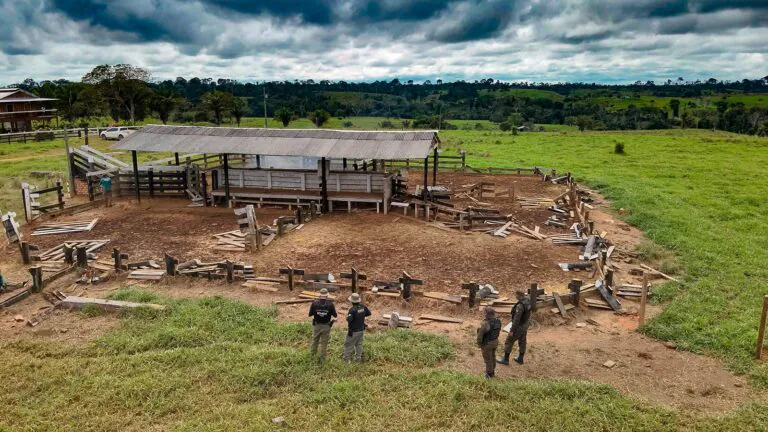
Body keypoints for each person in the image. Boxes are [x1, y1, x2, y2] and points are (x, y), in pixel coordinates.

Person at [498, 289, 532, 365]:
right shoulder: (527, 301)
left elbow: (516, 320)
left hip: (519, 326)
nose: (515, 296)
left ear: (519, 295)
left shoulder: (520, 306)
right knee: (522, 340)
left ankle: (505, 359)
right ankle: (520, 358)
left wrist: (512, 330)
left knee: (509, 341)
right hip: (525, 324)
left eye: (516, 295)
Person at [308, 288, 337, 361]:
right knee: (324, 343)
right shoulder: (330, 304)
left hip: (317, 326)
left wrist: (316, 310)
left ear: (319, 295)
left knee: (315, 341)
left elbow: (310, 314)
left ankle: (312, 357)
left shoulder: (314, 303)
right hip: (326, 326)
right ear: (327, 295)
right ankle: (322, 359)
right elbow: (335, 315)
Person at [343, 293, 371, 362]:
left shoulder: (352, 310)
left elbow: (349, 319)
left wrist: (347, 318)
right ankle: (358, 359)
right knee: (359, 345)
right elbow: (369, 313)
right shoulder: (363, 307)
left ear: (352, 301)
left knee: (348, 345)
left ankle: (346, 360)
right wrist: (361, 316)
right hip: (361, 330)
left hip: (353, 331)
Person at [477, 306, 502, 379]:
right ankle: (492, 371)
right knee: (493, 357)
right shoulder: (498, 321)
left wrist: (479, 344)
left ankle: (489, 374)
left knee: (488, 359)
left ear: (486, 314)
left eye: (484, 312)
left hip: (487, 343)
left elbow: (480, 336)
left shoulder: (485, 323)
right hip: (495, 341)